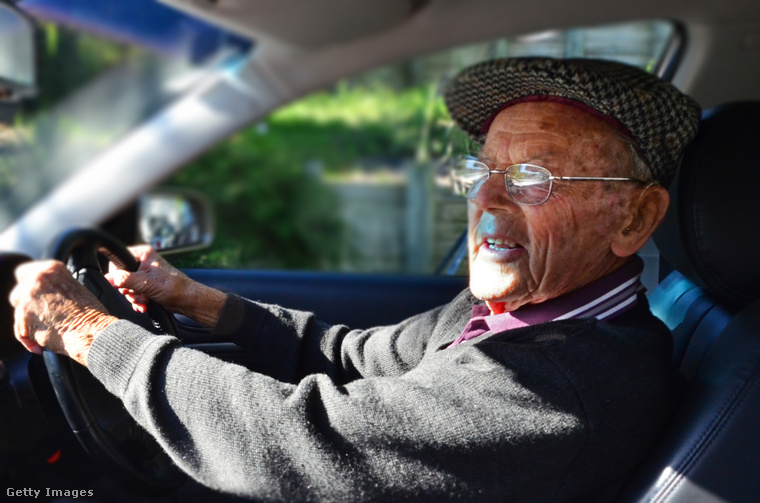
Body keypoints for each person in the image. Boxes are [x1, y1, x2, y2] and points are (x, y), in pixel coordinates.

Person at [10, 57, 701, 502]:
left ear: (635, 218)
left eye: (531, 177)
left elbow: (301, 443)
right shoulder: (520, 312)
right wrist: (189, 297)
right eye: (482, 169)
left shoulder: (565, 386)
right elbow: (354, 355)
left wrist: (86, 330)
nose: (486, 200)